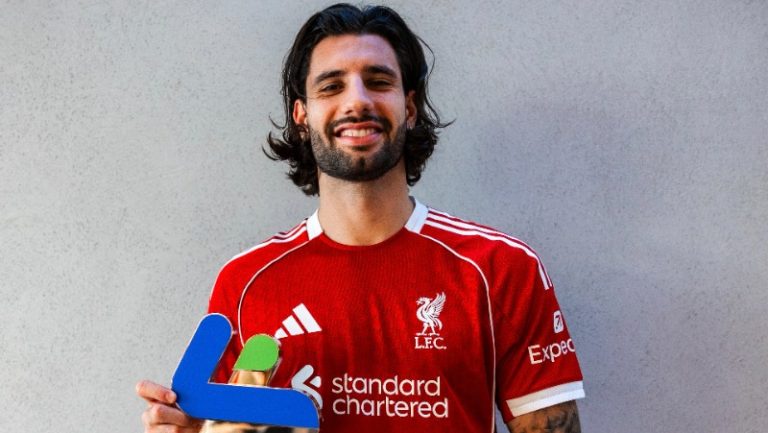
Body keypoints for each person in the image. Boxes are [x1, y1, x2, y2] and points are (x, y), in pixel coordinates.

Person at [136, 3, 584, 432]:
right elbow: (229, 428)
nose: (357, 101)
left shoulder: (500, 270)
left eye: (378, 81)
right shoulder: (245, 284)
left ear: (409, 109)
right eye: (332, 86)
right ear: (301, 116)